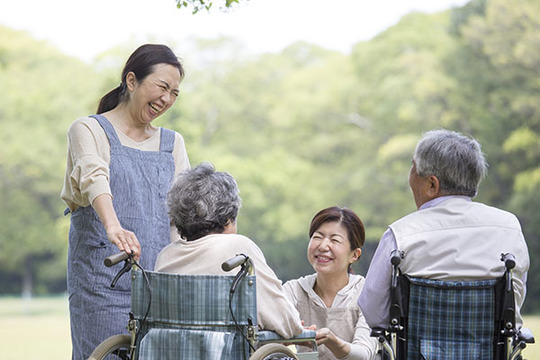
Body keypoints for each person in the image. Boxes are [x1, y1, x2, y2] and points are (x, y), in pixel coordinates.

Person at [61, 44, 190, 359]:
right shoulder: (89, 129)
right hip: (101, 282)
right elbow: (94, 177)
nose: (166, 99)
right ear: (131, 81)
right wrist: (113, 226)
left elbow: (182, 214)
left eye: (174, 92)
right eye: (162, 87)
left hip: (158, 284)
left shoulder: (172, 144)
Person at [358, 129, 529, 331]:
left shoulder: (401, 235)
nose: (410, 177)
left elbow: (373, 313)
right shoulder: (508, 227)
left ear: (432, 184)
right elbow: (514, 302)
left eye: (413, 167)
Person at [154, 162, 304, 339]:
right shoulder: (237, 247)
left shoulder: (165, 256)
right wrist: (295, 325)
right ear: (227, 218)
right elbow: (283, 320)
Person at [283, 206, 378, 360]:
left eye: (335, 240)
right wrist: (286, 336)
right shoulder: (293, 290)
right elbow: (264, 342)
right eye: (318, 237)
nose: (322, 246)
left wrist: (333, 341)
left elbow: (364, 353)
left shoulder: (367, 293)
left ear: (354, 255)